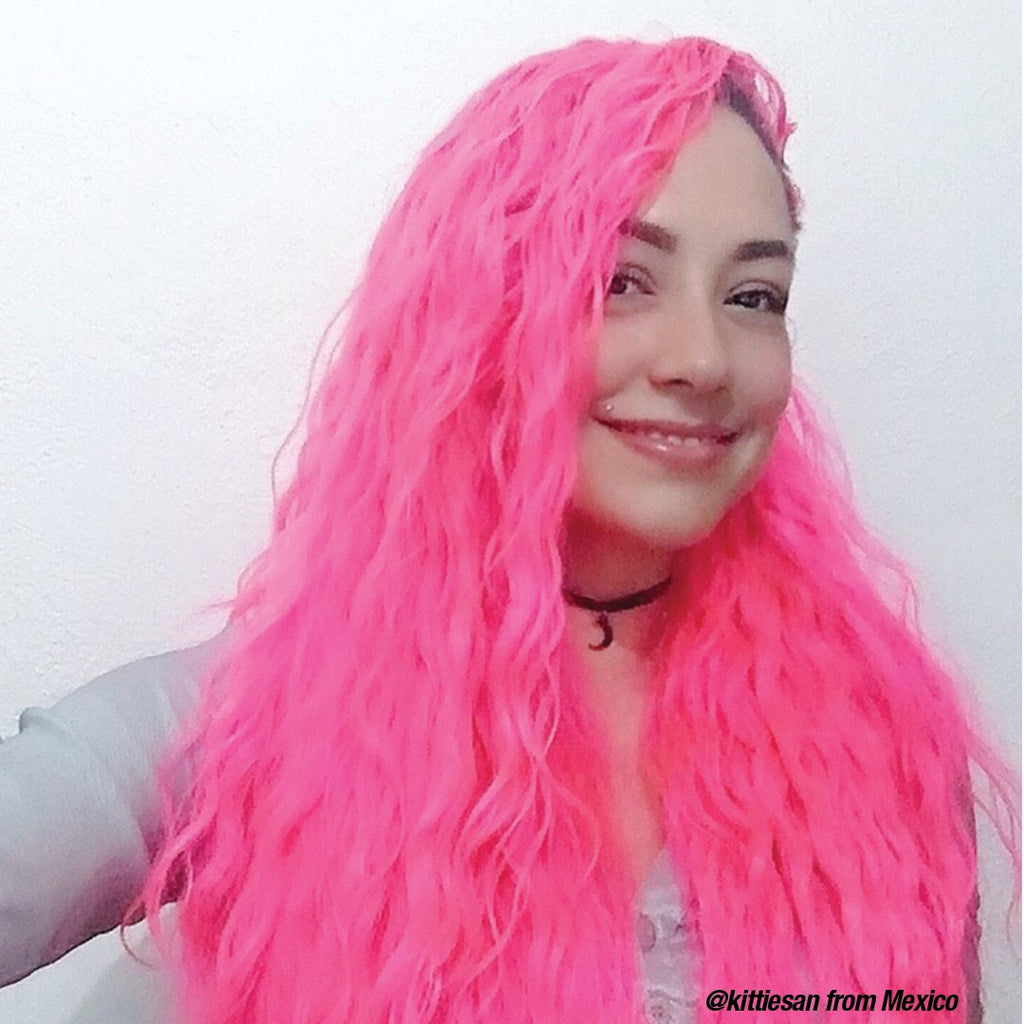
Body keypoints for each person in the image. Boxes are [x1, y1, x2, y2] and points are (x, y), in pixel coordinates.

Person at [0, 35, 1018, 1024]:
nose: (704, 358)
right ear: (480, 311)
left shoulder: (882, 742)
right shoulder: (255, 718)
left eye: (754, 296)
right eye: (620, 280)